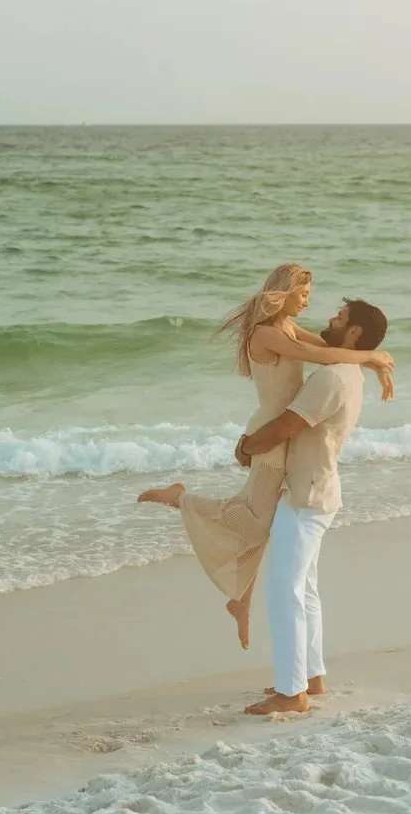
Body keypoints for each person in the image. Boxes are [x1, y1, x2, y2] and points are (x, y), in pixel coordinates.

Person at [137, 265, 393, 649]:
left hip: (284, 432)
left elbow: (326, 350)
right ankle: (180, 498)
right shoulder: (267, 333)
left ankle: (241, 601)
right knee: (256, 525)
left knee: (263, 518)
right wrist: (372, 357)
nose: (308, 302)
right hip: (271, 433)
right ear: (283, 293)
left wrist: (374, 361)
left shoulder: (286, 328)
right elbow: (315, 355)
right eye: (303, 294)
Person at [235, 297, 388, 717]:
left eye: (339, 319)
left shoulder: (334, 378)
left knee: (284, 592)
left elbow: (286, 425)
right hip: (318, 491)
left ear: (354, 332)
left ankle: (291, 693)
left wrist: (246, 446)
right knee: (306, 590)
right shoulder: (345, 370)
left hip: (306, 495)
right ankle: (312, 677)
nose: (330, 320)